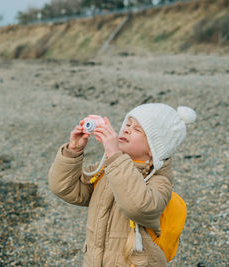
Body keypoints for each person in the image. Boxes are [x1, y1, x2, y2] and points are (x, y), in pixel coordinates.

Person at [48, 103, 196, 267]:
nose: (126, 130)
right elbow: (64, 188)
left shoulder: (160, 182)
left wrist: (115, 156)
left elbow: (138, 206)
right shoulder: (106, 169)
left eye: (137, 129)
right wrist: (73, 151)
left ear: (155, 148)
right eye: (127, 124)